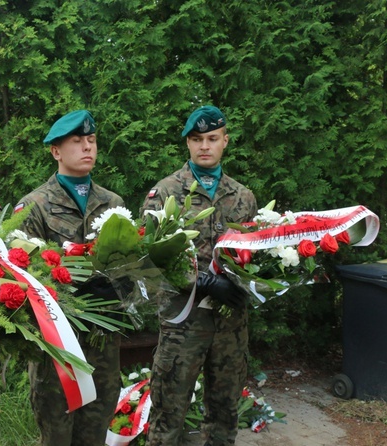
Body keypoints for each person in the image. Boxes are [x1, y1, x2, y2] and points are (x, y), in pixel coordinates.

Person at [140, 105, 258, 446]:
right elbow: (148, 258)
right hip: (183, 324)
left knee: (224, 414)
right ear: (188, 144)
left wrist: (242, 284)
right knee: (168, 415)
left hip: (230, 325)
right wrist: (199, 281)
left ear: (225, 141)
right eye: (196, 139)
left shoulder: (243, 197)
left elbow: (253, 255)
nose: (204, 146)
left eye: (212, 138)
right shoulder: (164, 192)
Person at [14, 109, 124, 446]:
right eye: (77, 142)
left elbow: (129, 265)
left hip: (103, 340)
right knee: (57, 433)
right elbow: (22, 275)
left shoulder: (113, 204)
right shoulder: (33, 206)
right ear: (56, 151)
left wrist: (120, 284)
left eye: (91, 140)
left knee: (96, 428)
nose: (87, 147)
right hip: (57, 344)